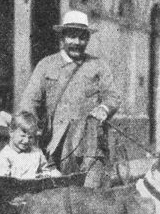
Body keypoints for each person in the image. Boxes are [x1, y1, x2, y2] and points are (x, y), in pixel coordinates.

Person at [19, 10, 120, 187]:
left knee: (91, 195)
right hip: (54, 145)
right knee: (55, 193)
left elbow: (112, 96)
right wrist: (31, 134)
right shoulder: (46, 65)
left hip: (89, 145)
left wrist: (104, 109)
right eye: (72, 37)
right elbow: (29, 103)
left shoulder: (98, 66)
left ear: (87, 39)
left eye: (82, 38)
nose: (77, 43)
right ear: (63, 37)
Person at [0, 111, 61, 201]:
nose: (26, 141)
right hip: (11, 195)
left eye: (30, 137)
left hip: (31, 193)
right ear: (11, 132)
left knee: (56, 174)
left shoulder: (36, 152)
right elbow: (3, 181)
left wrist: (47, 174)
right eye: (22, 136)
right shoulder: (6, 155)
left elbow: (46, 169)